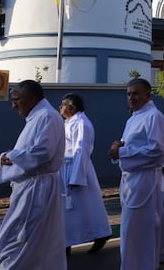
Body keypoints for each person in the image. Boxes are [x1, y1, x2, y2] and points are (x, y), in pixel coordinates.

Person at [108, 78, 164, 270]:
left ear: (147, 95)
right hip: (131, 180)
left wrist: (122, 152)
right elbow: (133, 145)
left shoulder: (154, 117)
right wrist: (118, 149)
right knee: (145, 225)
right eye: (128, 94)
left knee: (135, 230)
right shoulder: (133, 118)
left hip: (144, 180)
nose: (131, 97)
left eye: (136, 93)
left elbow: (157, 151)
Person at [0, 80, 66, 270]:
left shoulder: (47, 116)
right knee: (32, 240)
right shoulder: (39, 117)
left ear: (32, 98)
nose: (13, 105)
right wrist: (8, 156)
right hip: (32, 186)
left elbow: (43, 152)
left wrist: (12, 156)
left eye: (17, 99)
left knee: (19, 238)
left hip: (37, 189)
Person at [59, 93, 111, 255]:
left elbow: (81, 150)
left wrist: (76, 177)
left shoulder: (82, 123)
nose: (60, 108)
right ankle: (65, 243)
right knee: (68, 211)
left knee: (88, 207)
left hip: (77, 170)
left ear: (72, 108)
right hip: (64, 170)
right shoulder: (67, 123)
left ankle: (100, 233)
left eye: (63, 105)